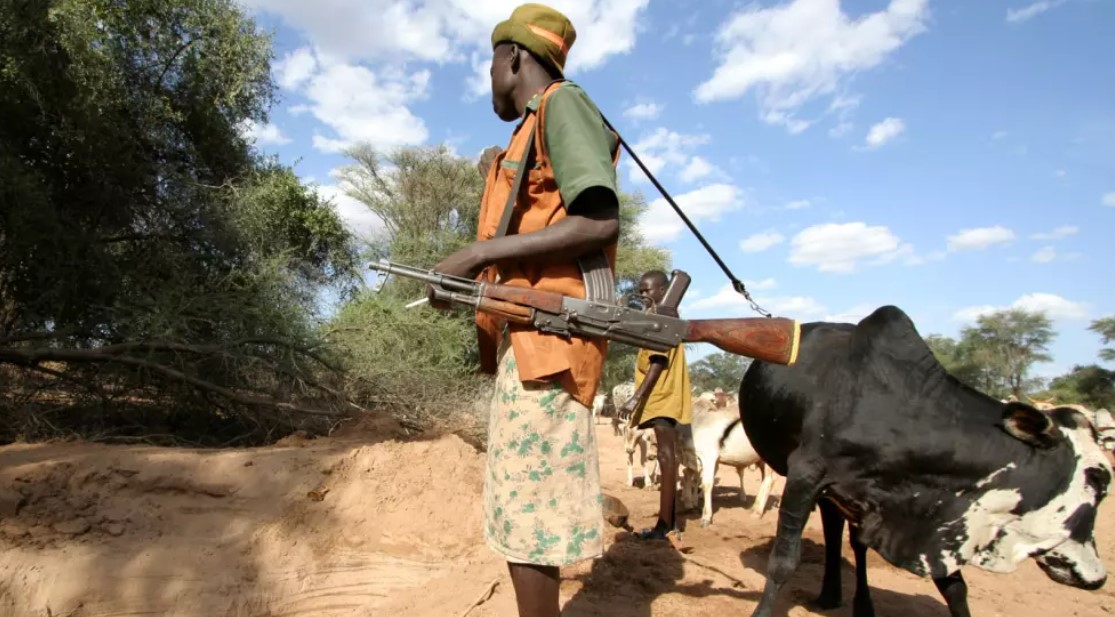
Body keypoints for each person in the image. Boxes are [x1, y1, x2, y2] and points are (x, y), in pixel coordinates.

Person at [427, 4, 621, 616]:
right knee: (522, 517)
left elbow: (598, 219)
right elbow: (544, 215)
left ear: (512, 58)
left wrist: (474, 253)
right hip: (533, 346)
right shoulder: (531, 127)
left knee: (530, 525)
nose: (489, 75)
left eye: (491, 61)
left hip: (551, 351)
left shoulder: (562, 104)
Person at [620, 270, 693, 541]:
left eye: (647, 290)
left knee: (666, 457)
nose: (643, 295)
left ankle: (666, 525)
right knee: (665, 456)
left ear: (664, 290)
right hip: (661, 397)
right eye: (641, 290)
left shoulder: (660, 320)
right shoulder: (663, 318)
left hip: (661, 397)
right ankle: (668, 521)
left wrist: (636, 397)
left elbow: (657, 362)